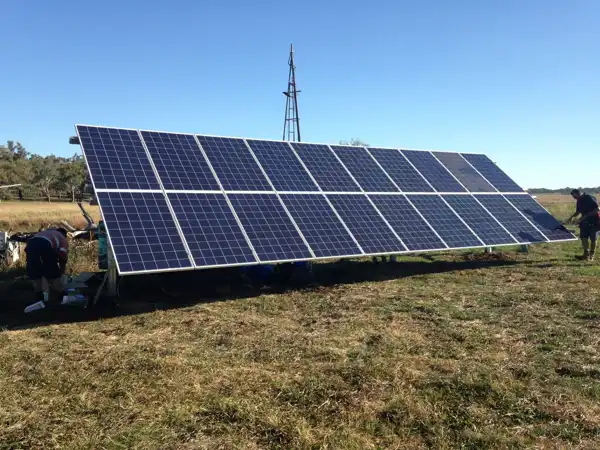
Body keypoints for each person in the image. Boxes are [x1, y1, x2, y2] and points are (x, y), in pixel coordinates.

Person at [25, 227, 69, 304]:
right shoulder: (63, 239)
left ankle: (38, 298)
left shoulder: (47, 233)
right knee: (52, 273)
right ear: (65, 235)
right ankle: (63, 295)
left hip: (30, 244)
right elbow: (63, 258)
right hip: (44, 244)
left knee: (36, 272)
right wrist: (60, 274)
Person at [566, 189, 599, 261]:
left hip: (595, 221)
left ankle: (591, 255)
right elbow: (578, 211)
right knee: (583, 237)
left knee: (593, 239)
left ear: (579, 193)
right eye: (574, 198)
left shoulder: (589, 197)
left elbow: (597, 209)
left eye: (575, 197)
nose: (575, 199)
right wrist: (571, 217)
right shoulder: (579, 200)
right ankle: (586, 255)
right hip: (584, 222)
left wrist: (585, 216)